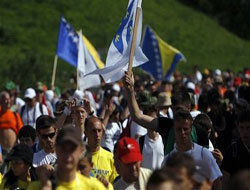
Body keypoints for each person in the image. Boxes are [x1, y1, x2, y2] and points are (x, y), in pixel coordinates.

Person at [27, 126, 106, 190]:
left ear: (80, 151)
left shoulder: (95, 187)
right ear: (57, 149)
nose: (68, 154)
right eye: (63, 148)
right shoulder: (36, 187)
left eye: (72, 149)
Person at [162, 108, 222, 190]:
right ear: (174, 130)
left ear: (191, 129)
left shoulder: (204, 154)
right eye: (179, 129)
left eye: (185, 129)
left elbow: (217, 182)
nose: (182, 133)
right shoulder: (167, 160)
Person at [221, 109, 250, 187]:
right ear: (238, 127)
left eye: (248, 128)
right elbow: (225, 182)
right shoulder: (232, 151)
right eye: (242, 127)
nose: (245, 132)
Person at [85, 116, 118, 183]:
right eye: (93, 131)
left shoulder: (111, 158)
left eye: (99, 131)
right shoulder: (79, 157)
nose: (97, 134)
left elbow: (116, 185)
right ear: (86, 133)